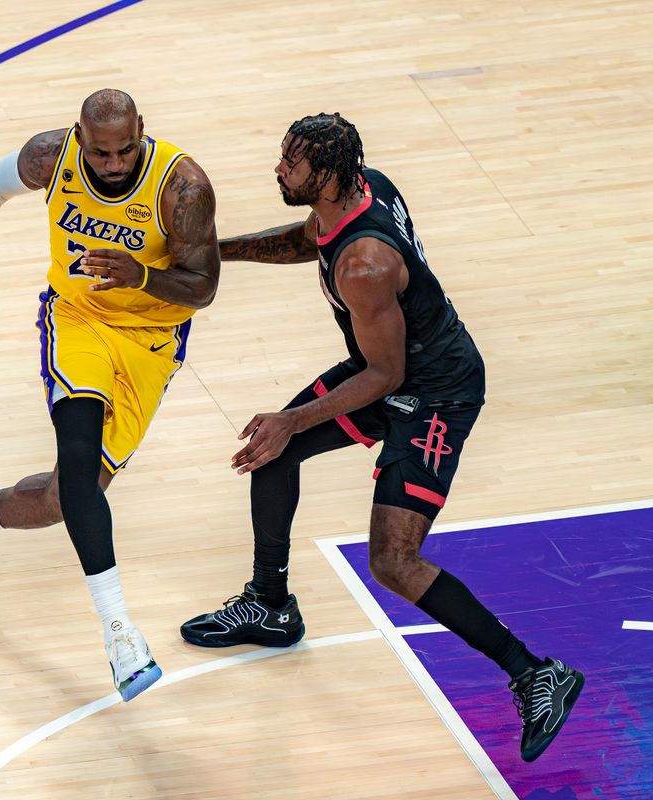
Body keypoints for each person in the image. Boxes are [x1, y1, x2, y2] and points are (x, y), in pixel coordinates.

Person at [179, 113, 582, 761]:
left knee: (393, 560)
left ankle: (536, 672)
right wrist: (213, 251)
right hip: (396, 367)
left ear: (329, 173)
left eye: (291, 162)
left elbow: (386, 373)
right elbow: (305, 239)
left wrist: (291, 420)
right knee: (273, 456)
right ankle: (270, 604)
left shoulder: (365, 265)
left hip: (433, 392)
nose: (279, 169)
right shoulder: (360, 192)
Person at [0, 89, 219, 703]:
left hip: (149, 342)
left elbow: (204, 286)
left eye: (125, 149)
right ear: (79, 138)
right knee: (80, 464)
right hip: (77, 321)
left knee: (68, 498)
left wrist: (140, 274)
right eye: (101, 152)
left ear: (144, 129)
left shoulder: (182, 186)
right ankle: (120, 636)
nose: (113, 164)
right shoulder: (50, 155)